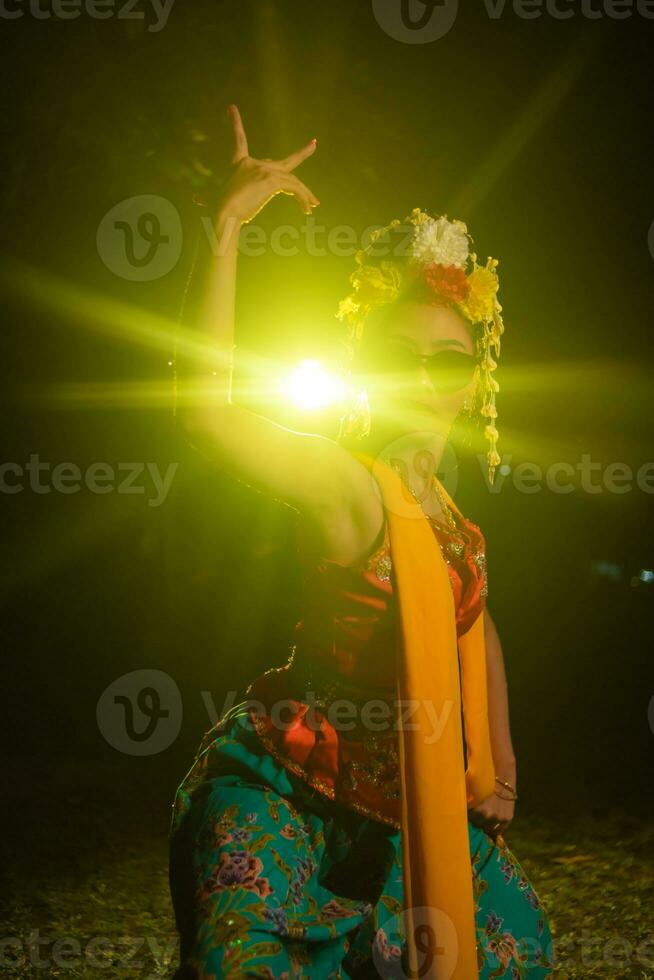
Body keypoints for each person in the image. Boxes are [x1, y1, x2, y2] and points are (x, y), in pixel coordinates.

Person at [168, 103, 555, 979]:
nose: (425, 380)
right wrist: (223, 229)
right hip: (290, 787)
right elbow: (206, 414)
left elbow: (473, 620)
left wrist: (499, 759)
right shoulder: (347, 485)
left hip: (407, 800)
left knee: (515, 949)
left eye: (448, 361)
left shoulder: (454, 518)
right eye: (401, 357)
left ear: (474, 380)